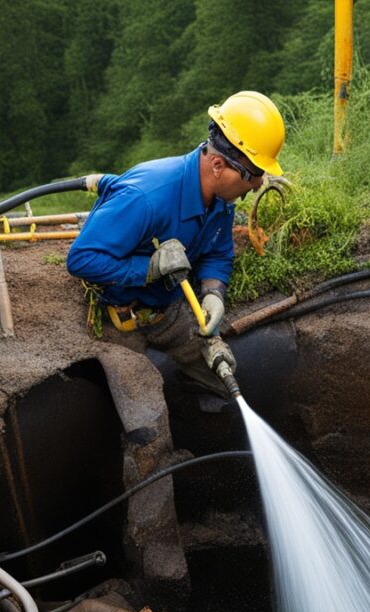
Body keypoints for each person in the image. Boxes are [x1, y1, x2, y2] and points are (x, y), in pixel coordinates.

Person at [67, 90, 287, 400]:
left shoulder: (223, 199)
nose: (258, 184)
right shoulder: (146, 198)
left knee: (226, 383)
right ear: (218, 165)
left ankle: (192, 407)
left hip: (167, 309)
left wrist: (213, 292)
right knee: (147, 423)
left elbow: (217, 251)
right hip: (120, 319)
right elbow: (81, 258)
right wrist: (149, 268)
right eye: (254, 174)